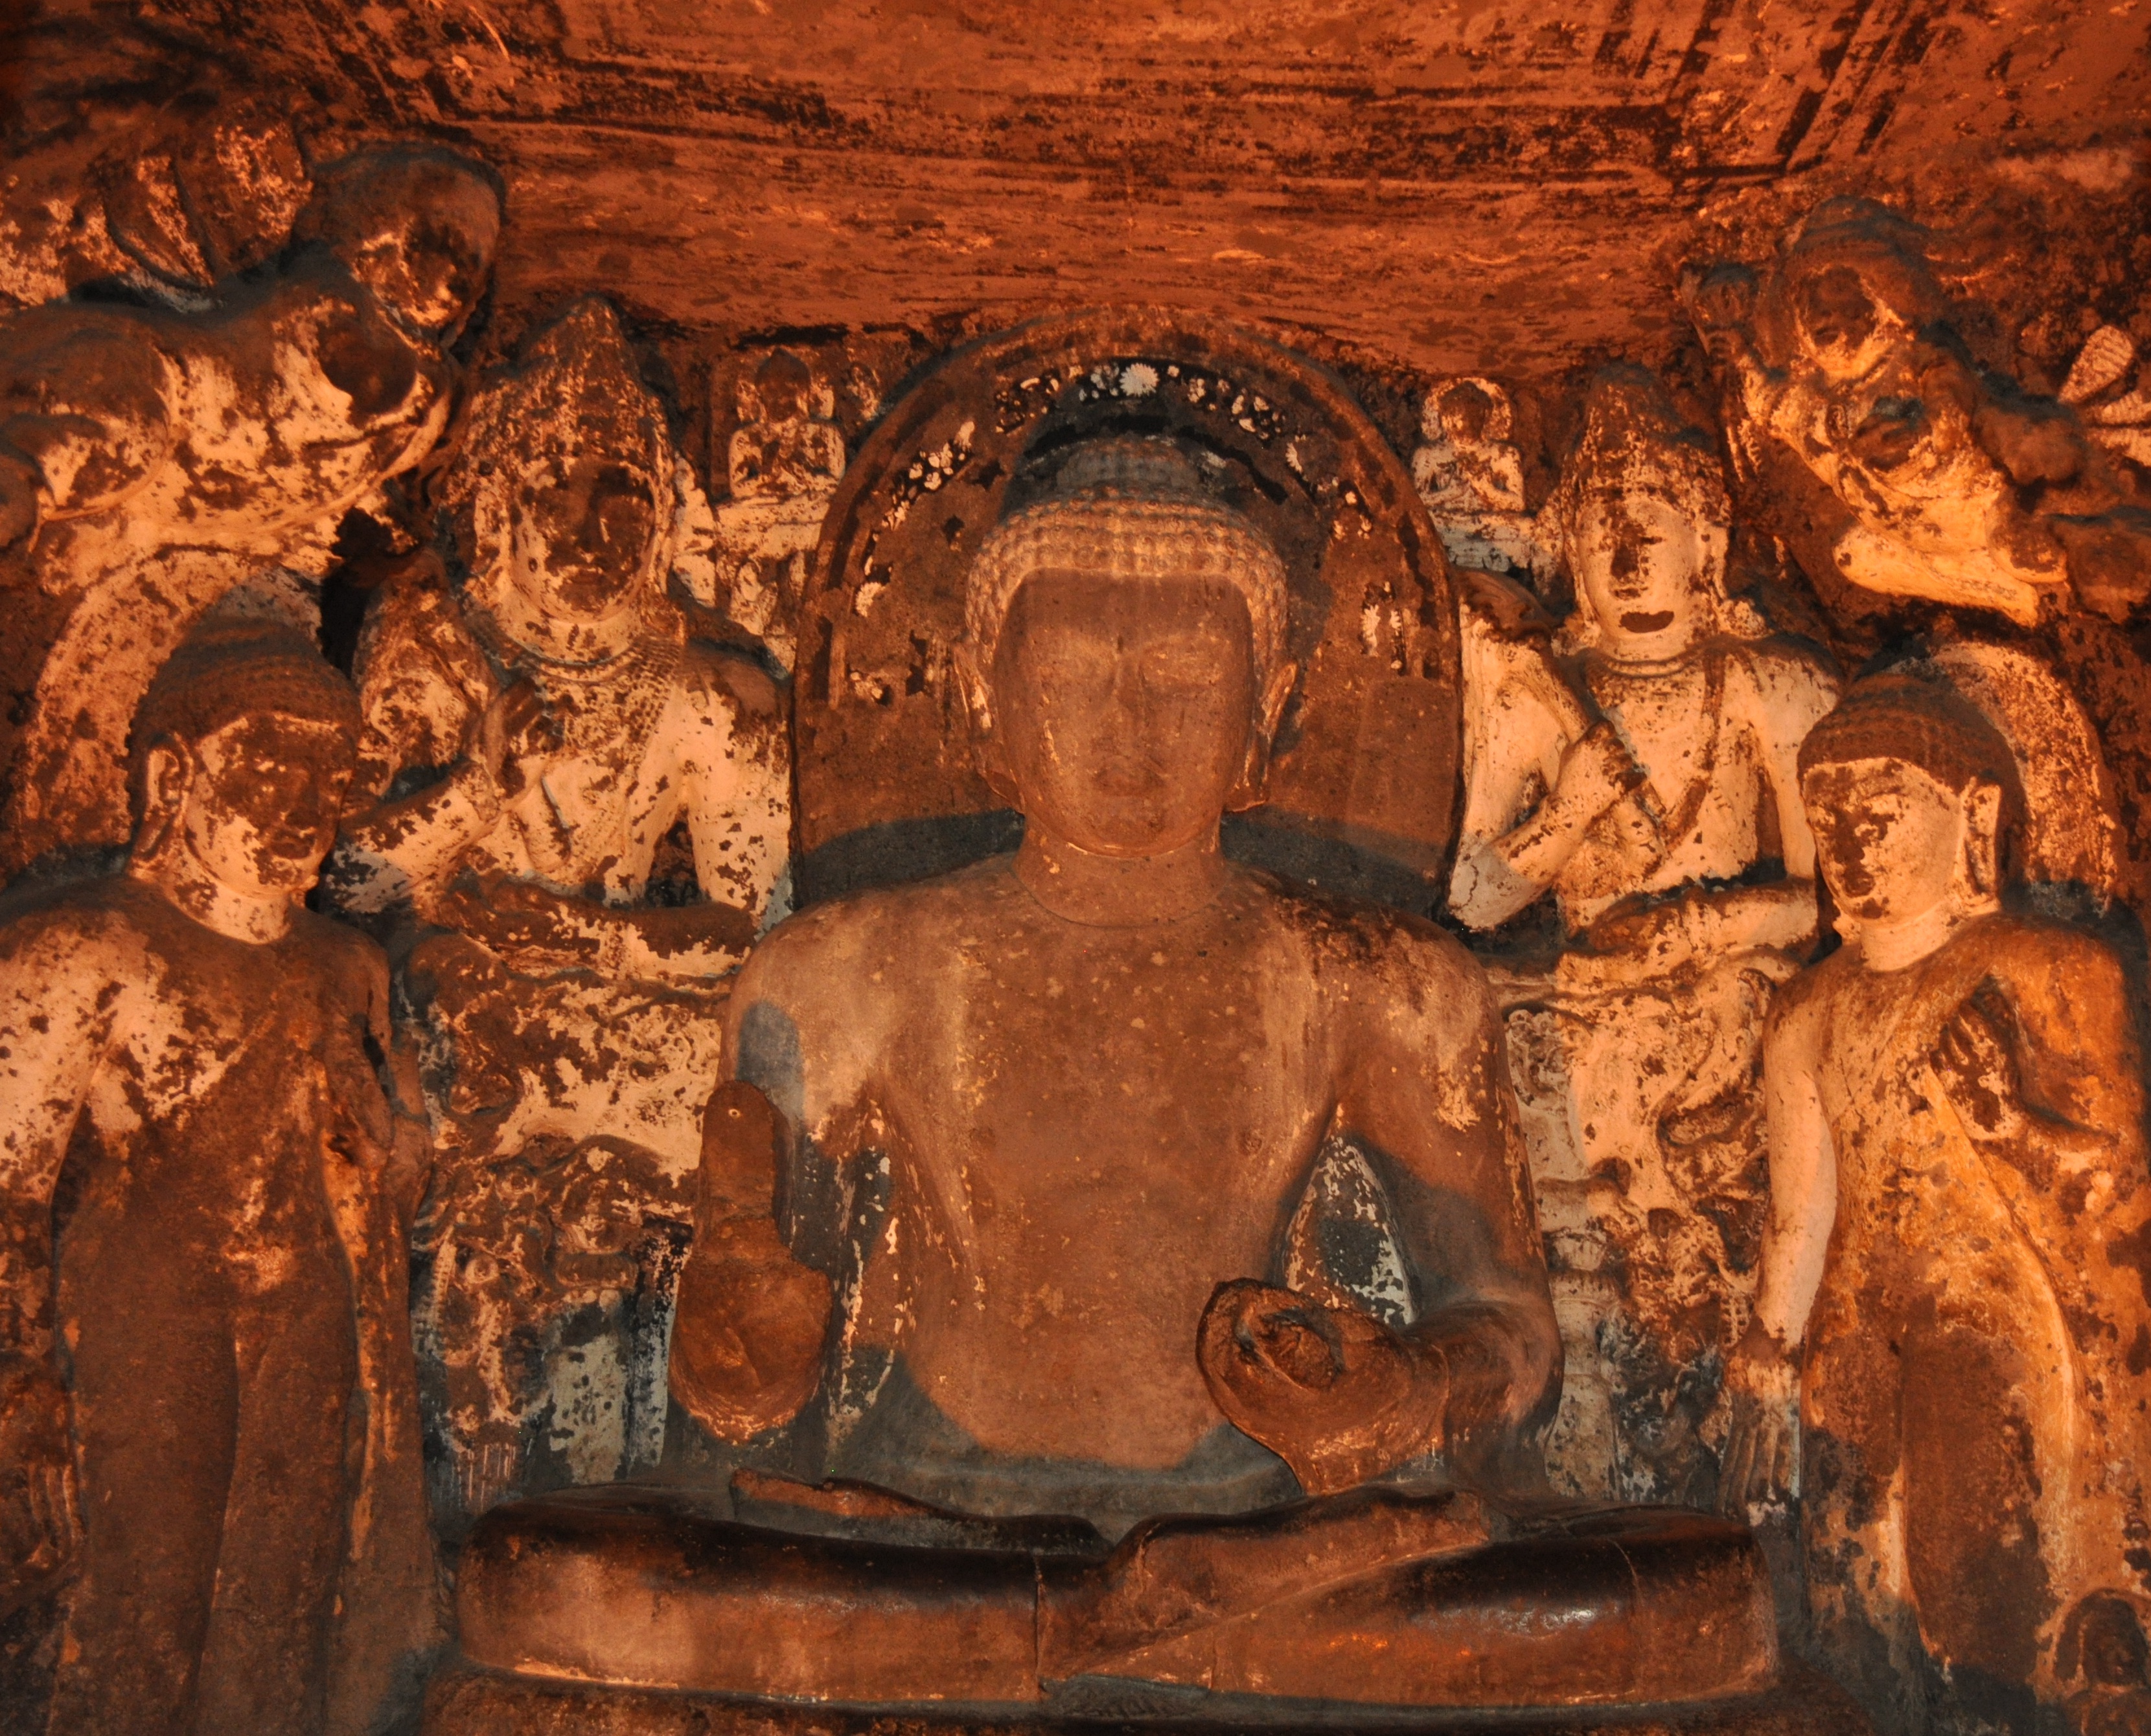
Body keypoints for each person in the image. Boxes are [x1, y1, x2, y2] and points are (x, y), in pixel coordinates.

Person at [431, 436, 1790, 1726]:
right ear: (987, 706)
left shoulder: (1380, 978)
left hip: (1263, 1540)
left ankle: (1099, 1624)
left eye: (1189, 679)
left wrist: (1407, 1391)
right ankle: (1100, 1621)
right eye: (1076, 675)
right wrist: (743, 1340)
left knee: (1683, 1595)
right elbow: (737, 1405)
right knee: (553, 1580)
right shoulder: (839, 971)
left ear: (1270, 711)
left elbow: (1507, 1321)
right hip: (922, 1536)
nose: (1130, 726)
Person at [0, 611, 436, 1736]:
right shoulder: (89, 946)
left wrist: (395, 1131)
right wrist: (23, 1386)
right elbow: (10, 1186)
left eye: (329, 777)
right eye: (271, 763)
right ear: (173, 774)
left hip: (305, 1317)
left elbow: (377, 1183)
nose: (301, 806)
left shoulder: (341, 967)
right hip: (142, 1316)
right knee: (136, 1602)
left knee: (279, 1614)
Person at [1724, 674, 2151, 1736]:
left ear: (1974, 817)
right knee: (1852, 1572)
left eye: (1880, 816)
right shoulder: (1806, 1011)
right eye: (1829, 823)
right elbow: (1801, 1216)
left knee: (1975, 1582)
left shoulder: (2049, 970)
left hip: (1995, 1316)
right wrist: (1766, 1364)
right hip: (1856, 1320)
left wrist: (2014, 1127)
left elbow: (2121, 1189)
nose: (1852, 847)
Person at [1456, 367, 1838, 1503]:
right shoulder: (1535, 697)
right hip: (1581, 993)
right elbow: (1473, 899)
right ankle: (1574, 1410)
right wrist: (1569, 809)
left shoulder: (1772, 688)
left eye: (1654, 534)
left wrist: (1694, 932)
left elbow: (1834, 905)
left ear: (1707, 547)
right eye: (1603, 535)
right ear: (1568, 551)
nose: (1629, 564)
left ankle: (1700, 1394)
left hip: (1731, 993)